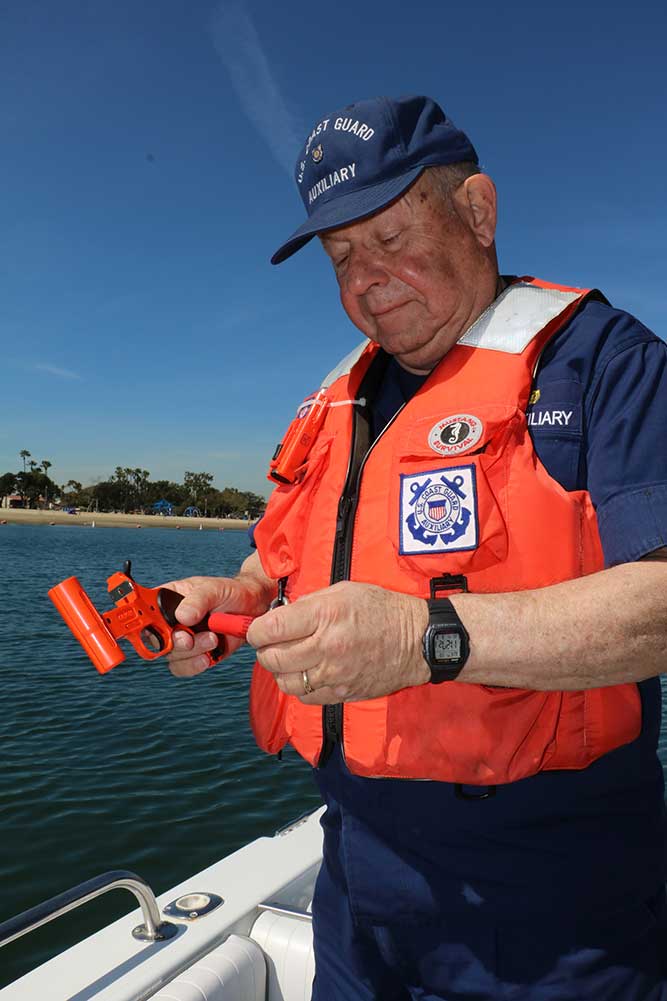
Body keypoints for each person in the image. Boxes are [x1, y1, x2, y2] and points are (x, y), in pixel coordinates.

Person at [166, 96, 667, 1000]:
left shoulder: (602, 360)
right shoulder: (332, 403)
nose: (367, 277)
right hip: (355, 881)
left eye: (390, 235)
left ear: (477, 211)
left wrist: (420, 639)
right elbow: (269, 568)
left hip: (551, 908)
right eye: (342, 256)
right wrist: (225, 600)